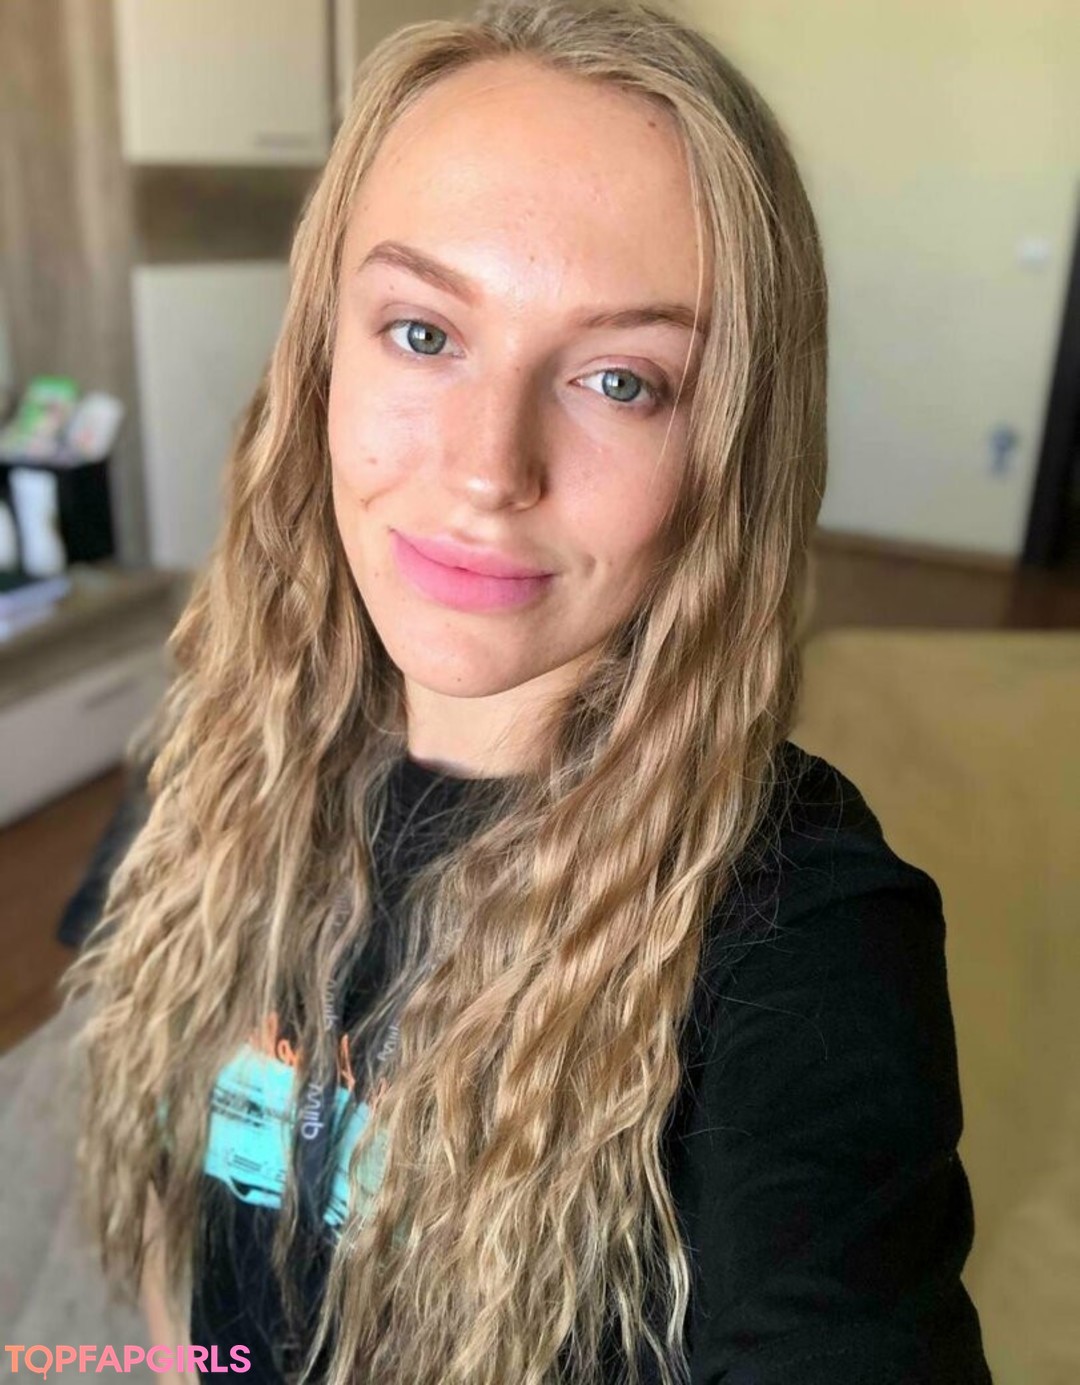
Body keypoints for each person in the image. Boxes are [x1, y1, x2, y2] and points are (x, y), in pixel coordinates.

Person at [67, 2, 993, 1381]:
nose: (489, 468)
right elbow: (176, 1186)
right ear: (321, 355)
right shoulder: (219, 739)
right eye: (423, 332)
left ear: (734, 445)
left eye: (622, 379)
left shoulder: (801, 936)